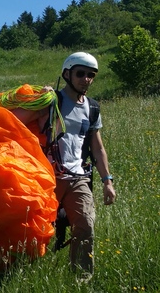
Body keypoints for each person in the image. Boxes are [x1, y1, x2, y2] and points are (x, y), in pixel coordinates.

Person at [49, 52, 116, 280]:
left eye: (91, 75)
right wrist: (37, 96)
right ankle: (18, 267)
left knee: (86, 224)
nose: (86, 79)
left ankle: (80, 279)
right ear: (67, 74)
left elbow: (98, 149)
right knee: (37, 227)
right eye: (81, 73)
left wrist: (108, 182)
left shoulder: (92, 108)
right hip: (46, 176)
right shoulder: (51, 100)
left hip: (77, 177)